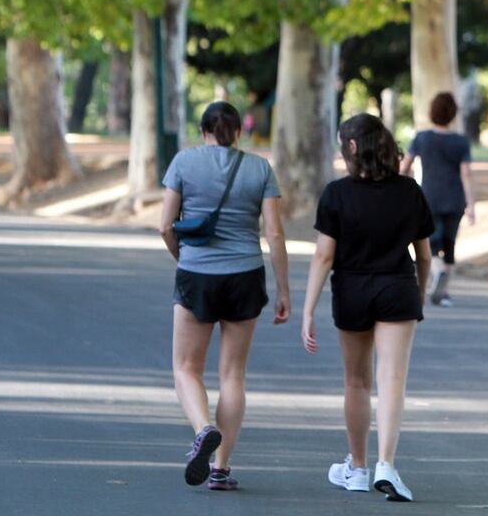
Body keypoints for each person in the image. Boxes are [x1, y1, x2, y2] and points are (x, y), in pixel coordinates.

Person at [159, 101, 291, 491]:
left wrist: (183, 257)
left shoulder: (183, 163)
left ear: (203, 131)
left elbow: (165, 226)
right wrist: (284, 289)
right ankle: (220, 468)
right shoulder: (259, 168)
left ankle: (203, 429)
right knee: (233, 373)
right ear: (238, 132)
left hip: (197, 273)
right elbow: (275, 234)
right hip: (245, 276)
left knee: (186, 368)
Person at [301, 113, 433, 502]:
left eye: (343, 145)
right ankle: (387, 464)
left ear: (353, 148)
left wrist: (308, 308)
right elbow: (424, 255)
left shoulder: (336, 194)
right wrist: (420, 292)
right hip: (397, 289)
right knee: (392, 379)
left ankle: (357, 468)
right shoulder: (410, 191)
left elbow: (324, 256)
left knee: (356, 381)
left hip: (352, 290)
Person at [401, 92, 476, 307]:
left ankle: (438, 270)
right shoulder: (461, 142)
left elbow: (405, 166)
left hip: (429, 198)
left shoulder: (422, 138)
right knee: (450, 244)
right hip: (455, 199)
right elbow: (466, 175)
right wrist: (471, 204)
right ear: (453, 114)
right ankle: (443, 292)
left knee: (432, 244)